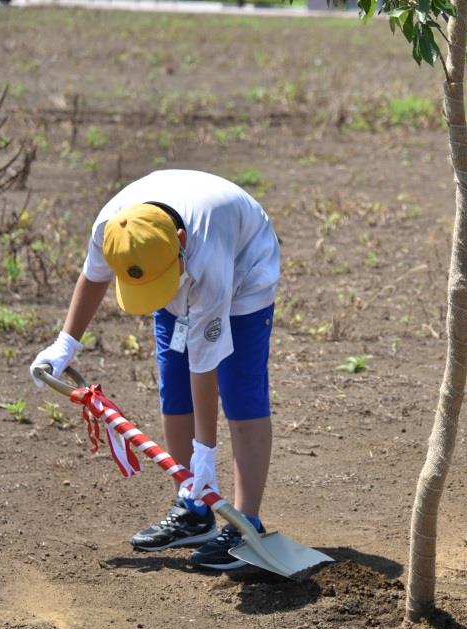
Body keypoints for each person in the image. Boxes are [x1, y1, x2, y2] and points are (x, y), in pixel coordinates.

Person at [30, 169, 280, 571]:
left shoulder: (211, 257)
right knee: (173, 387)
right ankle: (194, 509)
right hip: (175, 267)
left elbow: (206, 363)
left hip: (244, 270)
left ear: (179, 243)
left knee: (240, 388)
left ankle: (245, 524)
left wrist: (205, 452)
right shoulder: (114, 229)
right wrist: (66, 344)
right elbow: (93, 277)